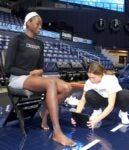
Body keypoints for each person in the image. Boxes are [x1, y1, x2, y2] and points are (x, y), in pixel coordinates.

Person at [5, 12, 76, 147]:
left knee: (67, 88)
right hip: (18, 78)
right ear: (28, 23)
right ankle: (57, 132)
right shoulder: (17, 39)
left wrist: (39, 71)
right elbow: (8, 68)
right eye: (37, 23)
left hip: (34, 78)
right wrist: (29, 72)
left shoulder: (40, 43)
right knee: (50, 83)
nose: (40, 26)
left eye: (41, 24)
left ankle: (45, 112)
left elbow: (41, 68)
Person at [71, 62, 129, 129]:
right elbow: (82, 101)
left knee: (127, 95)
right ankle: (97, 110)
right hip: (102, 100)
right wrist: (76, 116)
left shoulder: (110, 79)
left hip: (114, 100)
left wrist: (97, 120)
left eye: (93, 78)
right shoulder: (89, 82)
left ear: (101, 74)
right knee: (88, 94)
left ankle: (123, 112)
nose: (91, 80)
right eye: (89, 77)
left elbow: (111, 105)